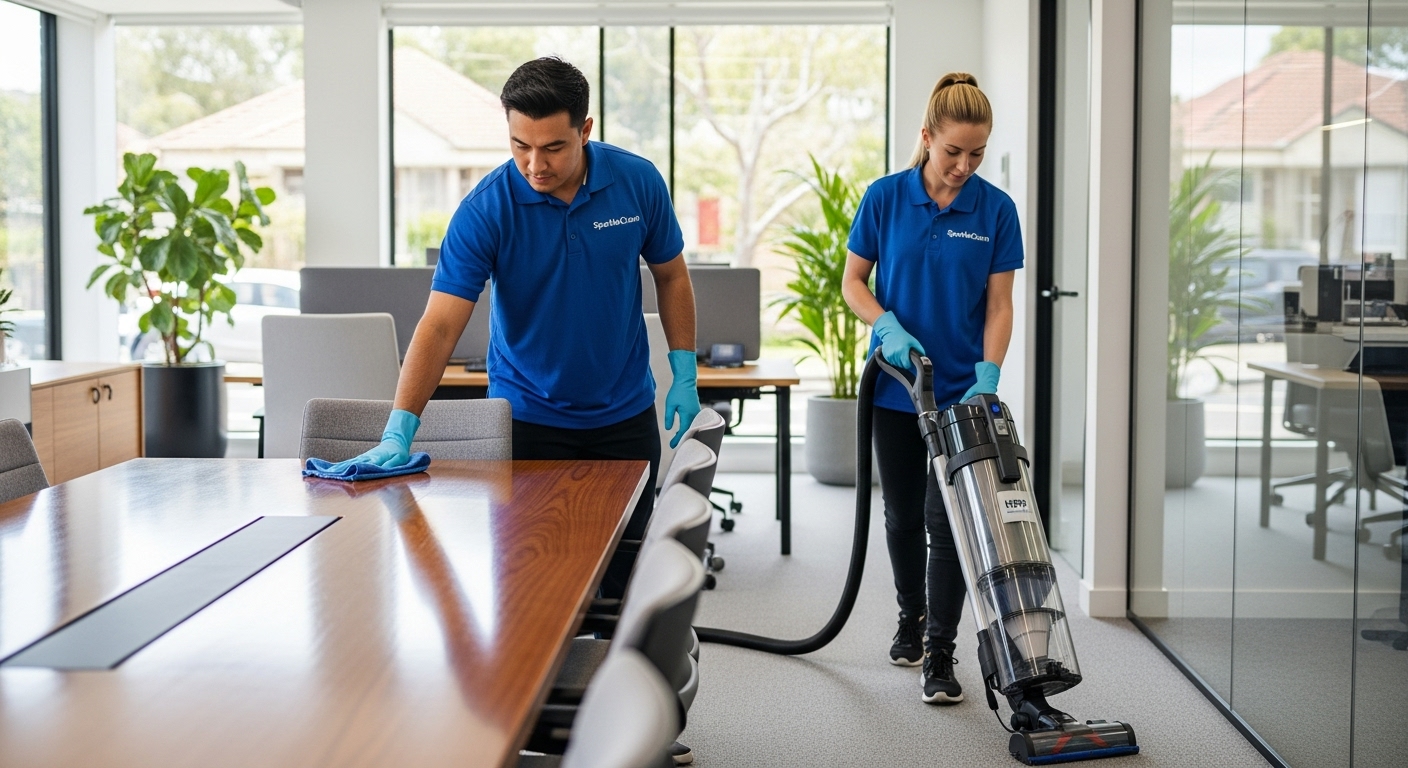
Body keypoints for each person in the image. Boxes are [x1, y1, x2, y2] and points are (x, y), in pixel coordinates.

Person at [329, 56, 700, 603]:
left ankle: (619, 687)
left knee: (626, 584)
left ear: (586, 130)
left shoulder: (637, 182)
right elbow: (439, 326)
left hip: (624, 416)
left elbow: (671, 276)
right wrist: (399, 428)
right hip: (526, 422)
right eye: (519, 145)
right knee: (531, 587)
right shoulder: (486, 210)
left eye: (553, 147)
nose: (535, 164)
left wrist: (685, 371)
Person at [841, 72, 1022, 705]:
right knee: (901, 514)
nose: (964, 166)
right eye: (953, 152)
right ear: (926, 138)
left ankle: (941, 654)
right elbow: (853, 283)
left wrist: (988, 375)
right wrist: (884, 324)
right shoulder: (885, 198)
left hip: (959, 395)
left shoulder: (995, 209)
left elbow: (999, 306)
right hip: (895, 386)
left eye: (976, 154)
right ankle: (910, 617)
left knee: (947, 524)